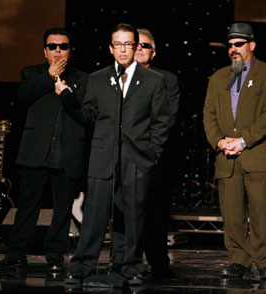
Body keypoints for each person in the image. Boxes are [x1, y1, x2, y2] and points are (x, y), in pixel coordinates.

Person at [56, 23, 170, 286]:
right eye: (117, 44)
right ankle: (82, 265)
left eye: (128, 44)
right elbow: (89, 116)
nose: (123, 49)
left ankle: (131, 266)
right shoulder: (97, 79)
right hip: (103, 157)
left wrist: (151, 153)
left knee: (133, 218)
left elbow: (161, 122)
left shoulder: (154, 80)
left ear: (136, 46)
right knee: (94, 215)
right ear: (110, 48)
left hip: (137, 159)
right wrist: (67, 99)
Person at [0, 28, 89, 272]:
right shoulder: (32, 74)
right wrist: (49, 76)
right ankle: (16, 253)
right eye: (53, 46)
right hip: (36, 152)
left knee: (62, 210)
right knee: (27, 206)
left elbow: (86, 115)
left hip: (66, 153)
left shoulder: (83, 78)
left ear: (70, 50)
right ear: (45, 51)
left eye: (63, 46)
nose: (58, 50)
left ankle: (55, 255)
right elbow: (23, 96)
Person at [203, 23, 266, 281]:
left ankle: (265, 262)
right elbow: (209, 115)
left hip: (254, 154)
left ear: (252, 45)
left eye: (239, 44)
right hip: (226, 157)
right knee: (233, 213)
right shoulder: (218, 78)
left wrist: (243, 140)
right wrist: (219, 142)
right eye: (230, 45)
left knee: (260, 211)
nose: (233, 49)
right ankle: (239, 261)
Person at [110, 28, 180, 278]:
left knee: (153, 213)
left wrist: (149, 150)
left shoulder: (165, 79)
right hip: (121, 156)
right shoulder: (116, 75)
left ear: (154, 53)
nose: (139, 49)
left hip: (151, 157)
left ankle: (158, 261)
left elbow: (165, 118)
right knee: (120, 210)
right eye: (135, 44)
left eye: (145, 46)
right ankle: (121, 259)